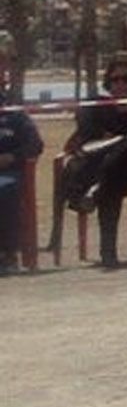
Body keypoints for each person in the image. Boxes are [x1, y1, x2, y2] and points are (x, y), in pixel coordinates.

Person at [57, 59, 127, 268]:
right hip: (94, 167)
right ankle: (108, 250)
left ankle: (96, 191)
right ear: (108, 84)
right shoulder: (95, 105)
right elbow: (87, 134)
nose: (120, 84)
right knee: (112, 180)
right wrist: (120, 139)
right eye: (115, 80)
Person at [0, 91, 43, 273]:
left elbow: (35, 144)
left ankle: (7, 255)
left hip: (7, 172)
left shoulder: (15, 116)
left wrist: (12, 156)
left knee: (4, 190)